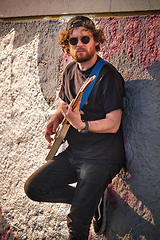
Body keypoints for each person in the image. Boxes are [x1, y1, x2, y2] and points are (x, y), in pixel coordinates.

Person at [24, 16, 125, 240]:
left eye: (85, 38)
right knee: (34, 187)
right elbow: (66, 103)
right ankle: (92, 199)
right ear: (67, 46)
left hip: (102, 158)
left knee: (77, 223)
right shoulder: (70, 70)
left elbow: (114, 123)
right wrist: (56, 117)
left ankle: (87, 202)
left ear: (96, 41)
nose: (79, 44)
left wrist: (83, 125)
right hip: (75, 153)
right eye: (73, 41)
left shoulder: (108, 76)